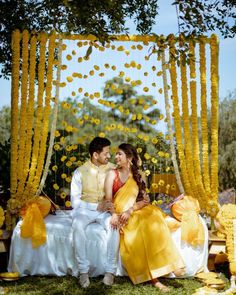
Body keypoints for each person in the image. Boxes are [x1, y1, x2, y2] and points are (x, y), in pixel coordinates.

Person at [104, 143, 185, 292]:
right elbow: (108, 200)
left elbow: (144, 200)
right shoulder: (111, 174)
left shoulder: (139, 176)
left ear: (129, 158)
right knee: (139, 226)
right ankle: (154, 279)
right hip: (120, 213)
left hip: (135, 209)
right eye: (116, 154)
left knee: (154, 219)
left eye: (119, 154)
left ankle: (171, 264)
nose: (116, 157)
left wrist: (131, 210)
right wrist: (114, 214)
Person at [70, 137, 119, 288]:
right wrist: (95, 207)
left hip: (105, 212)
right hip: (85, 210)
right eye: (106, 153)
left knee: (113, 227)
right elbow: (74, 202)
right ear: (95, 155)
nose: (109, 156)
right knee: (77, 226)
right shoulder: (79, 172)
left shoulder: (112, 169)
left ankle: (110, 272)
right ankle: (83, 272)